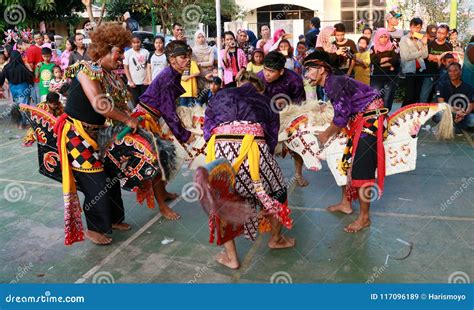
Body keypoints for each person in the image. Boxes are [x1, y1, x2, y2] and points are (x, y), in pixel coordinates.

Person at [55, 23, 139, 245]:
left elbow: (121, 105)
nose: (122, 58)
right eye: (119, 52)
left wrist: (135, 117)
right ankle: (94, 229)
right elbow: (101, 105)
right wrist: (128, 120)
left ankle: (114, 219)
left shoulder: (110, 75)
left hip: (99, 137)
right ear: (105, 49)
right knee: (97, 184)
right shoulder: (85, 69)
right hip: (76, 136)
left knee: (112, 177)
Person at [202, 71, 294, 269]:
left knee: (222, 199)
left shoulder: (220, 95)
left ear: (238, 82)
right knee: (278, 191)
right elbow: (271, 138)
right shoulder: (266, 100)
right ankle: (276, 239)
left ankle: (232, 258)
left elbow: (207, 130)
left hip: (219, 151)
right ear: (259, 87)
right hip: (254, 148)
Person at [304, 50, 388, 233]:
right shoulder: (331, 83)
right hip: (360, 118)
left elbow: (341, 119)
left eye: (309, 70)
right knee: (345, 160)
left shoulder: (334, 83)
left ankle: (364, 218)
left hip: (370, 120)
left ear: (321, 70)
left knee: (361, 168)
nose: (306, 75)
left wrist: (325, 134)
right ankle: (345, 203)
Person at [138, 40, 196, 220]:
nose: (187, 60)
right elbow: (169, 112)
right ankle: (162, 207)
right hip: (145, 120)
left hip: (154, 118)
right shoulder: (168, 77)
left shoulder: (174, 73)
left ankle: (163, 193)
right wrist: (185, 135)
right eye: (182, 57)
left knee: (162, 159)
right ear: (171, 59)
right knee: (156, 163)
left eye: (188, 56)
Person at [257, 51, 308, 187]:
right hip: (265, 116)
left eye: (271, 71)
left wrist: (287, 111)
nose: (266, 74)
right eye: (265, 69)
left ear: (281, 71)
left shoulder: (294, 79)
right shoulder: (258, 79)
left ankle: (298, 174)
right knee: (262, 147)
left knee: (298, 142)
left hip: (289, 116)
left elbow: (300, 104)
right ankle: (262, 175)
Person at [436, 62, 474, 133]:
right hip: (448, 114)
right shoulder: (442, 85)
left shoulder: (468, 87)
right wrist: (453, 110)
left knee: (472, 120)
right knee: (439, 115)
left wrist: (464, 113)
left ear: (460, 71)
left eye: (455, 70)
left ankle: (454, 125)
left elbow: (471, 105)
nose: (452, 73)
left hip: (463, 115)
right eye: (450, 71)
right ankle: (457, 125)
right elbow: (441, 103)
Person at [0, 50, 34, 128]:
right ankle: (22, 124)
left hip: (13, 88)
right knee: (24, 106)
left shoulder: (7, 67)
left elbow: (1, 78)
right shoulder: (22, 67)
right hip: (23, 88)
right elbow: (30, 76)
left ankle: (18, 122)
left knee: (17, 106)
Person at [420, 24, 452, 103]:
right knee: (423, 96)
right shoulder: (430, 43)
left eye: (442, 33)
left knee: (441, 96)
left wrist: (435, 58)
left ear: (446, 34)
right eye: (438, 32)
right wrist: (440, 57)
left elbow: (447, 61)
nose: (439, 35)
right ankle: (423, 113)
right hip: (429, 73)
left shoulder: (449, 45)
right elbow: (427, 56)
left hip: (443, 75)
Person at [400, 17, 428, 106]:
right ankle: (401, 115)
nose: (417, 29)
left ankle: (412, 117)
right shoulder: (404, 39)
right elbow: (405, 56)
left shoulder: (421, 38)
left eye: (419, 27)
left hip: (420, 69)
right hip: (409, 70)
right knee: (409, 96)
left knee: (416, 96)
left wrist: (424, 43)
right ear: (410, 27)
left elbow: (425, 55)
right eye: (414, 27)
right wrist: (420, 52)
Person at [370, 28, 400, 111]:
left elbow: (395, 60)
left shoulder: (394, 46)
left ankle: (385, 120)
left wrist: (381, 61)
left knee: (387, 100)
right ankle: (376, 121)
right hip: (377, 78)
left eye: (385, 37)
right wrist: (387, 58)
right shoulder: (373, 48)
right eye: (381, 37)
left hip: (390, 78)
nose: (383, 39)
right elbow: (373, 61)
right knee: (375, 99)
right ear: (377, 37)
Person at [124, 34, 150, 106]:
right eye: (134, 42)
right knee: (136, 102)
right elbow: (126, 68)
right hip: (133, 84)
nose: (136, 44)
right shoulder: (127, 53)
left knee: (145, 102)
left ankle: (146, 117)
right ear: (131, 43)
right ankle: (136, 117)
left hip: (144, 82)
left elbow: (148, 67)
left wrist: (147, 79)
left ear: (141, 42)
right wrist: (130, 81)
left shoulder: (146, 52)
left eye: (138, 42)